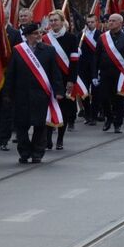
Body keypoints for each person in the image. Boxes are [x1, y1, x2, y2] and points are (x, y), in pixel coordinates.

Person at [4, 23, 64, 163]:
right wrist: (7, 93)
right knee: (22, 125)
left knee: (40, 125)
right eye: (35, 33)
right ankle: (24, 152)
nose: (39, 36)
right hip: (22, 94)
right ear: (27, 36)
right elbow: (11, 73)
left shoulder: (49, 50)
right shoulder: (18, 50)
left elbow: (55, 72)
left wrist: (59, 90)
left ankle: (37, 152)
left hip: (41, 94)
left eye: (40, 33)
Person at [93, 13, 124, 134]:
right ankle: (109, 117)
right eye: (109, 20)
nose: (110, 22)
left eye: (113, 21)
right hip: (105, 73)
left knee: (119, 99)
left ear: (120, 23)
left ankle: (118, 123)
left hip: (120, 75)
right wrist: (94, 75)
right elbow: (96, 57)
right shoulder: (102, 38)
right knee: (104, 98)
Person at [44, 10, 79, 150]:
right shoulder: (45, 38)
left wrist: (72, 80)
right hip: (48, 78)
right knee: (48, 108)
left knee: (63, 108)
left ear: (62, 21)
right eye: (51, 20)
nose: (53, 23)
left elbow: (75, 61)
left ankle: (60, 138)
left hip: (65, 78)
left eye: (55, 20)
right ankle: (47, 139)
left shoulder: (71, 38)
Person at [0, 13, 23, 149]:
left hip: (9, 76)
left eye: (3, 15)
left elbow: (18, 54)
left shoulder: (15, 33)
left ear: (6, 17)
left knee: (7, 109)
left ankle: (3, 139)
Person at [78, 14, 100, 125]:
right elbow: (76, 47)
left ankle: (94, 116)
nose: (90, 24)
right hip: (83, 67)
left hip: (96, 68)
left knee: (96, 92)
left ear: (96, 22)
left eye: (92, 22)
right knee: (84, 91)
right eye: (88, 22)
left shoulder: (100, 35)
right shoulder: (81, 35)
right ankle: (87, 114)